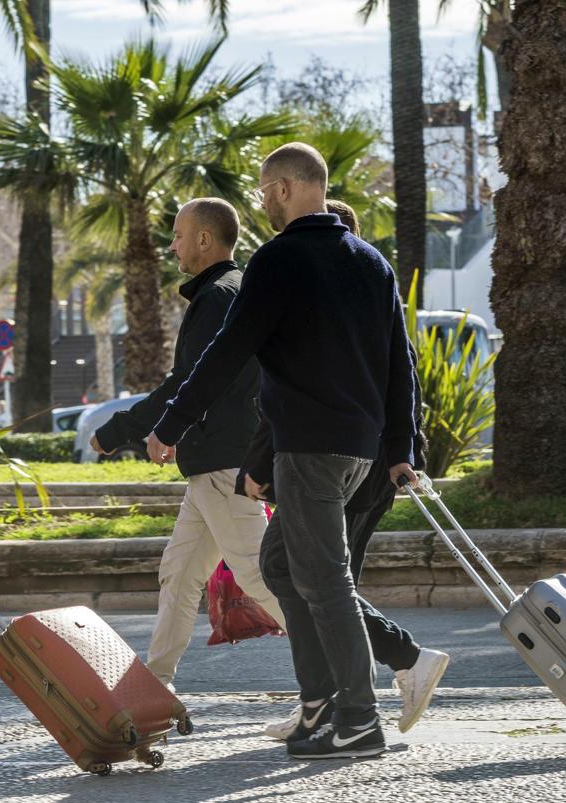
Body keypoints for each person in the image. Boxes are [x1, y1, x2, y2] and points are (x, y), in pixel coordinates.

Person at [147, 143, 418, 759]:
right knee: (277, 566)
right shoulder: (371, 262)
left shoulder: (278, 260)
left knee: (325, 580)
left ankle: (358, 718)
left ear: (291, 189)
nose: (262, 201)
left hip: (310, 449)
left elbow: (228, 352)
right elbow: (399, 363)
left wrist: (172, 424)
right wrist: (400, 446)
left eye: (267, 190)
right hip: (356, 451)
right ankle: (320, 704)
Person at [239, 200, 450, 740]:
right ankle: (328, 700)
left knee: (323, 578)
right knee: (296, 567)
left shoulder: (338, 292)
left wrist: (401, 451)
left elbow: (307, 392)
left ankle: (366, 695)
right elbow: (399, 374)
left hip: (352, 462)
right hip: (367, 457)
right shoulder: (362, 285)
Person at [91, 197, 284, 688]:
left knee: (263, 578)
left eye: (178, 236)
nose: (171, 246)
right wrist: (175, 430)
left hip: (225, 464)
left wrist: (121, 430)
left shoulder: (219, 295)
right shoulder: (235, 290)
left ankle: (348, 673)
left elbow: (192, 380)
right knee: (178, 574)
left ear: (204, 239)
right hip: (214, 463)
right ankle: (156, 683)